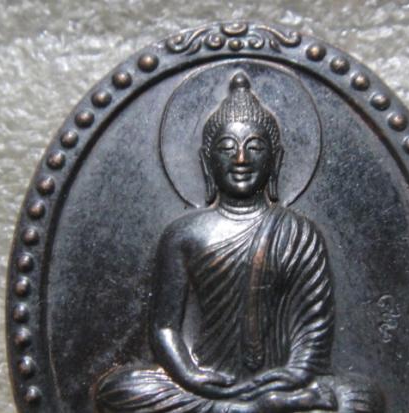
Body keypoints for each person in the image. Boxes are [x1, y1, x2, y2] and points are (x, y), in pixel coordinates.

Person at [94, 72, 382, 413]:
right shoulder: (184, 234)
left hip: (281, 383)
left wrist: (293, 374)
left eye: (255, 147)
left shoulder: (300, 233)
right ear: (207, 161)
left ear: (275, 160)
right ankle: (254, 409)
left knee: (362, 398)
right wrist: (190, 375)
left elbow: (314, 329)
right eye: (227, 148)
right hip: (210, 382)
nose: (241, 159)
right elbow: (165, 327)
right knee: (118, 389)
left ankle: (259, 405)